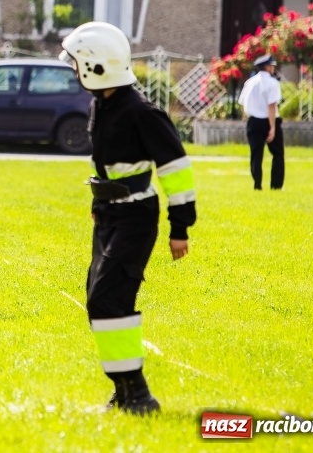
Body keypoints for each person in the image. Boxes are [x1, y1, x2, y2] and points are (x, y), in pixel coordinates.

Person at [59, 22, 197, 415]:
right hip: (108, 215)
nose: (74, 69)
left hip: (136, 216)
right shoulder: (100, 104)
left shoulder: (142, 113)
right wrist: (99, 201)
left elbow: (177, 171)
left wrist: (180, 228)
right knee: (98, 300)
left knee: (109, 299)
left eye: (78, 63)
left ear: (97, 66)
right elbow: (106, 164)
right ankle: (124, 392)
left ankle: (139, 395)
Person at [238, 54, 284, 190]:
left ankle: (257, 185)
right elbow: (271, 106)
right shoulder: (273, 83)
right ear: (268, 67)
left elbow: (242, 102)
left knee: (256, 154)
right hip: (270, 120)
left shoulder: (250, 82)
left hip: (253, 121)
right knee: (277, 154)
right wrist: (272, 128)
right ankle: (276, 186)